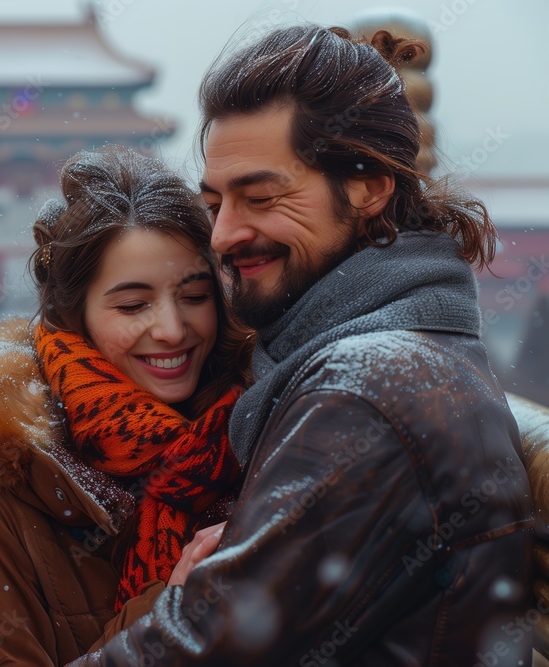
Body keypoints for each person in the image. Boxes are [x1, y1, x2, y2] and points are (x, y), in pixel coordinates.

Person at [69, 25, 533, 666]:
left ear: (370, 188)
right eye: (215, 203)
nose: (225, 234)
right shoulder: (404, 354)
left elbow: (193, 652)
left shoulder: (367, 393)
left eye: (260, 198)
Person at [0, 145, 253, 665]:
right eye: (133, 305)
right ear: (74, 315)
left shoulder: (267, 435)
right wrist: (169, 614)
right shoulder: (7, 507)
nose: (172, 330)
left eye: (195, 297)